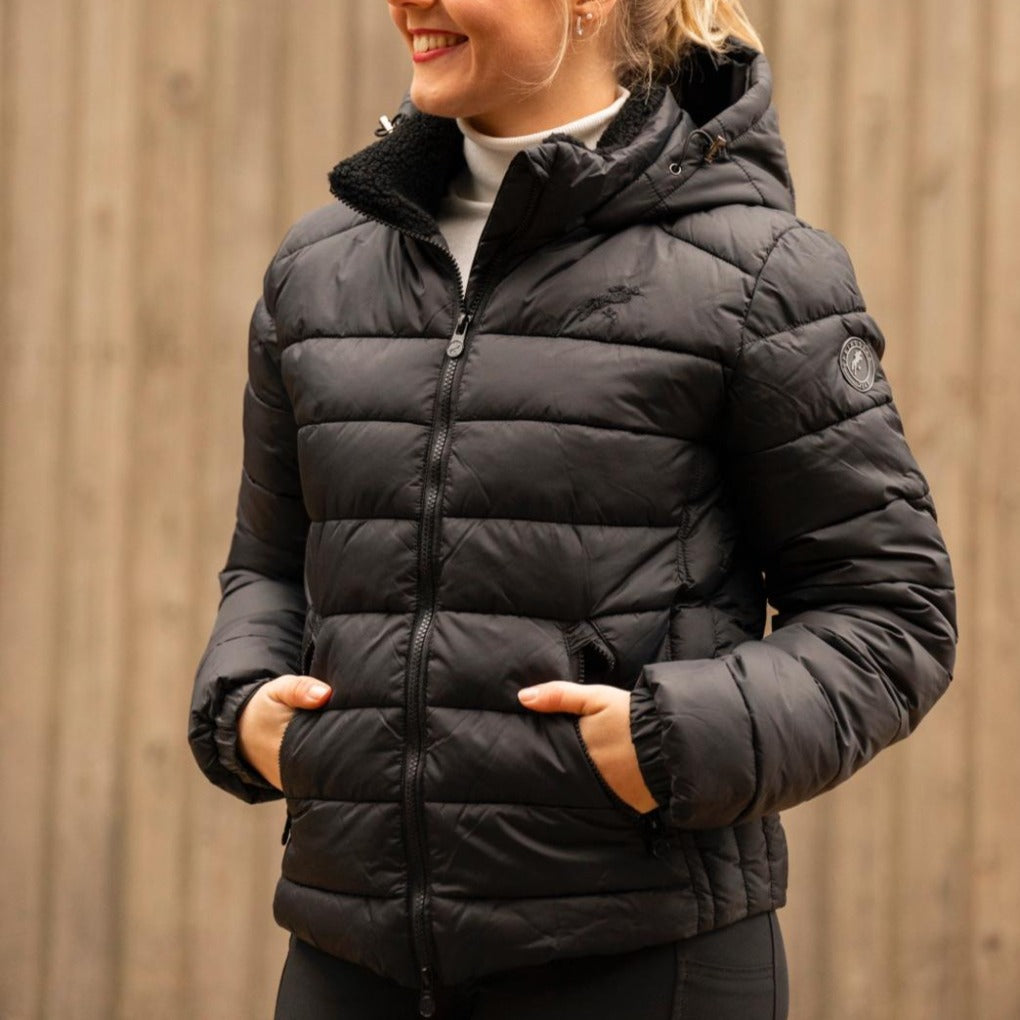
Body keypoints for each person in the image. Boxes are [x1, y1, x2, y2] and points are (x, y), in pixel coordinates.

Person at [186, 1, 958, 1017]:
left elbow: (892, 614)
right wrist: (242, 706)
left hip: (638, 963)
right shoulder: (319, 270)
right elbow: (269, 565)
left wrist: (670, 742)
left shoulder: (759, 276)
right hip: (349, 961)